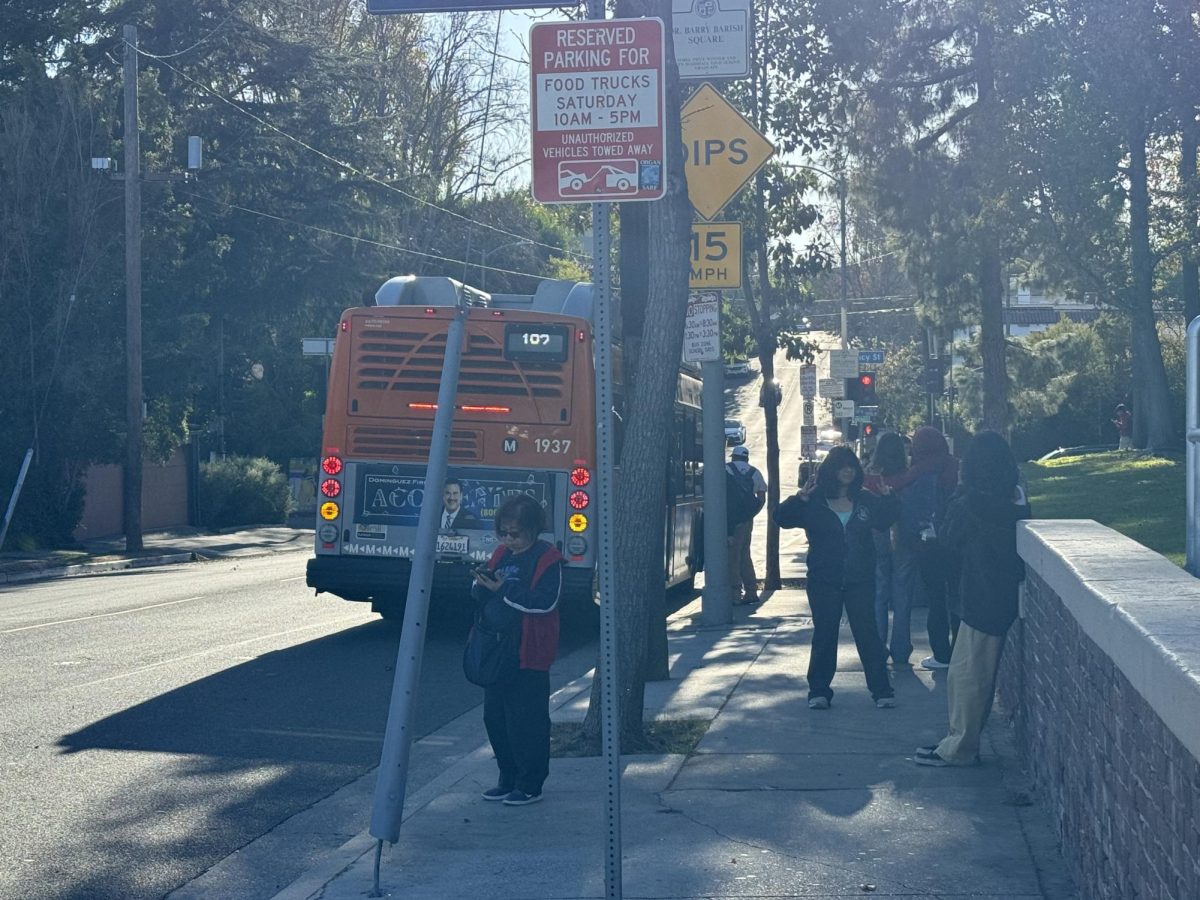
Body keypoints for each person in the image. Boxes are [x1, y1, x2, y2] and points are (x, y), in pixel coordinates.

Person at [915, 430, 1031, 767]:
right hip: (999, 591)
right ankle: (957, 740)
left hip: (980, 595)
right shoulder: (1014, 498)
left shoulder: (971, 503)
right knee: (969, 674)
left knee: (967, 676)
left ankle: (960, 747)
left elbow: (949, 537)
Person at [775, 445, 900, 709]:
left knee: (867, 633)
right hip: (824, 579)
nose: (848, 471)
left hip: (860, 578)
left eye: (852, 466)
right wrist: (800, 499)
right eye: (842, 466)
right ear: (831, 470)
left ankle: (881, 691)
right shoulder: (815, 500)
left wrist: (890, 499)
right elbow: (781, 518)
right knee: (825, 633)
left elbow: (884, 520)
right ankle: (818, 691)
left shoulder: (865, 499)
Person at [470, 494, 563, 805]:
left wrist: (503, 589)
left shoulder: (548, 559)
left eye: (515, 533)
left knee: (527, 721)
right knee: (495, 719)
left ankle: (530, 783)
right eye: (503, 532)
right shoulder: (501, 554)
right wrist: (481, 584)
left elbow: (544, 603)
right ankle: (507, 777)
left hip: (530, 654)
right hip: (499, 652)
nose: (509, 539)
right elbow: (486, 594)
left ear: (533, 530)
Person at [889, 426, 960, 670]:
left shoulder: (919, 471)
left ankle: (941, 654)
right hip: (955, 542)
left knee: (936, 599)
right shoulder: (955, 466)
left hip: (928, 544)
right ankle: (961, 650)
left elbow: (901, 492)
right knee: (957, 597)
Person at [863, 431, 916, 667]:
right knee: (903, 593)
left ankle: (877, 646)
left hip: (876, 535)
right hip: (904, 535)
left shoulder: (868, 478)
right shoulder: (909, 476)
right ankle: (901, 648)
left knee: (878, 592)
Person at [726, 445, 767, 605]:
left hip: (728, 519)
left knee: (731, 556)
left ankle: (734, 593)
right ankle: (751, 591)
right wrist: (750, 515)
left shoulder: (725, 469)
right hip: (746, 521)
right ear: (747, 458)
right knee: (744, 554)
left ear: (733, 457)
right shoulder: (754, 472)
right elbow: (762, 498)